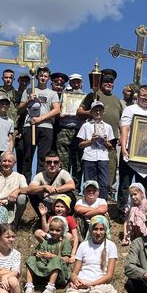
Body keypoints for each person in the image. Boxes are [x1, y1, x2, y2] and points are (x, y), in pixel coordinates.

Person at [47, 216, 117, 293]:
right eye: (95, 229)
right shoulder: (84, 245)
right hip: (81, 280)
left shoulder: (111, 246)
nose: (98, 232)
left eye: (101, 229)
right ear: (90, 230)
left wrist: (90, 284)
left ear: (106, 230)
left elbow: (109, 275)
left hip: (100, 283)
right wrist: (75, 279)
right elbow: (75, 271)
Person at [77, 69, 123, 203]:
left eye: (111, 82)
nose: (109, 83)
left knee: (110, 170)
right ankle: (90, 198)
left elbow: (119, 119)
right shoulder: (94, 94)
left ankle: (106, 196)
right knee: (91, 173)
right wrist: (92, 113)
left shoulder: (116, 100)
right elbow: (79, 111)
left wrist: (121, 135)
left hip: (110, 140)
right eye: (106, 81)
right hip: (92, 145)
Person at [118, 84, 147, 211]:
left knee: (144, 185)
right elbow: (124, 129)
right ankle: (122, 210)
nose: (146, 98)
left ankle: (143, 210)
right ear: (138, 96)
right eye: (143, 96)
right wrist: (124, 148)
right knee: (125, 183)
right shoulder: (130, 109)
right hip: (130, 151)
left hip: (145, 155)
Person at [18, 66, 60, 182]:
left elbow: (56, 110)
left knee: (43, 157)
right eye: (41, 75)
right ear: (37, 77)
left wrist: (41, 118)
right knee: (27, 156)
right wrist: (28, 101)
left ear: (48, 78)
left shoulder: (52, 93)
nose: (43, 78)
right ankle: (25, 183)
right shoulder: (29, 91)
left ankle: (40, 182)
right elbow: (19, 110)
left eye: (45, 76)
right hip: (30, 126)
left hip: (46, 127)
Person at [22, 216, 73, 293]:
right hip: (46, 269)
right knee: (31, 258)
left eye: (58, 230)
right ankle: (29, 287)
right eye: (52, 229)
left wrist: (52, 256)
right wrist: (39, 255)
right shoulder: (46, 241)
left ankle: (50, 288)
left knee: (56, 259)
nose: (54, 232)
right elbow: (42, 255)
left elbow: (67, 260)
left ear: (63, 231)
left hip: (60, 275)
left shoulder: (65, 242)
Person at [77, 101, 115, 199]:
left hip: (103, 157)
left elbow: (110, 146)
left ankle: (102, 204)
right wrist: (91, 141)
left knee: (104, 184)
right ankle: (89, 204)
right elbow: (80, 145)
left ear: (103, 112)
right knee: (89, 184)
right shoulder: (86, 126)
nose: (98, 112)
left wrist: (106, 142)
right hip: (89, 157)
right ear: (91, 112)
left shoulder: (108, 127)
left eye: (100, 110)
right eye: (95, 111)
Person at [26, 151, 76, 220]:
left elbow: (72, 185)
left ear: (59, 164)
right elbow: (30, 189)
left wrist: (56, 190)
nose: (52, 165)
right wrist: (44, 187)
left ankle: (67, 219)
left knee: (70, 194)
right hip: (46, 204)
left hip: (60, 204)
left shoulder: (63, 173)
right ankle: (44, 219)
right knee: (32, 194)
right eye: (49, 162)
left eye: (55, 162)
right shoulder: (40, 175)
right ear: (44, 164)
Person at [56, 73, 85, 182]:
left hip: (79, 130)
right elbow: (58, 110)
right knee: (63, 159)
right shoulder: (64, 95)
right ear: (70, 83)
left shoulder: (85, 96)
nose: (76, 84)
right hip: (64, 128)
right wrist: (60, 114)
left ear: (81, 83)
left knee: (77, 159)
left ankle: (76, 186)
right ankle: (64, 183)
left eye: (78, 81)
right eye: (73, 82)